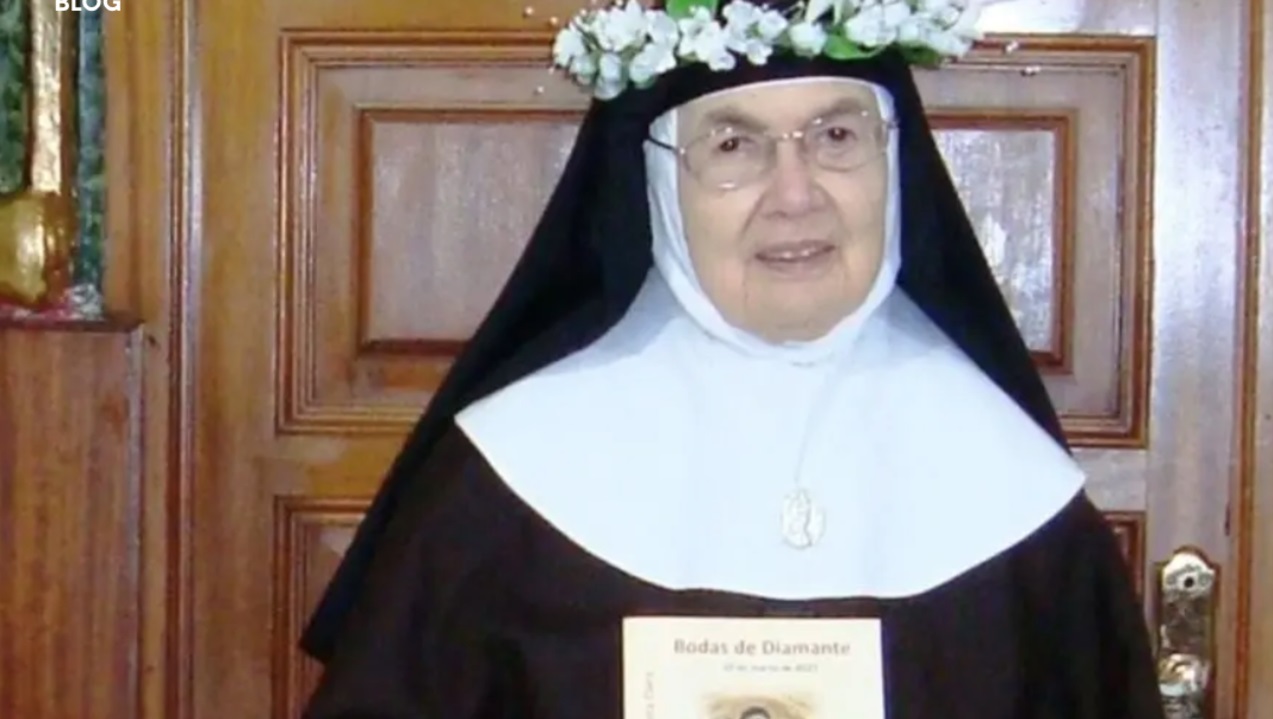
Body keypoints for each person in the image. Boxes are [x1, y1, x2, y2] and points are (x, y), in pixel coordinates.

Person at [299, 0, 1166, 716]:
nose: (794, 194)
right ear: (658, 189)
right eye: (731, 145)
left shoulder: (1016, 492)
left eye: (835, 136)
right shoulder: (505, 481)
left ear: (893, 164)